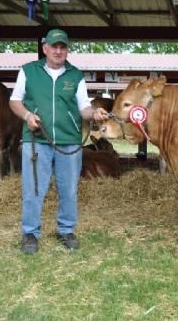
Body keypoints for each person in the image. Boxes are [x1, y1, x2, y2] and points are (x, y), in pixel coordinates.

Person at [9, 29, 108, 254]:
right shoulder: (28, 71)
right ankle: (30, 233)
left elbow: (84, 107)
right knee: (33, 188)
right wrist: (27, 116)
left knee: (69, 189)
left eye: (62, 47)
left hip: (69, 141)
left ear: (67, 49)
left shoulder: (75, 75)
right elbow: (15, 101)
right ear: (45, 48)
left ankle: (65, 230)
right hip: (36, 141)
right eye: (54, 46)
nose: (58, 51)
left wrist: (95, 113)